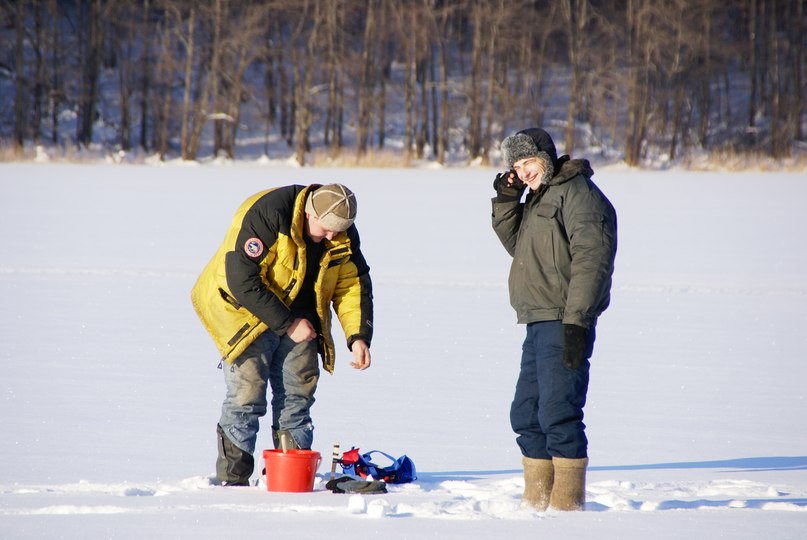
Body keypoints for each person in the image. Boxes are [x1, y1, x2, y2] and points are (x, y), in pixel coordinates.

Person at [192, 183, 374, 486]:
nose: (331, 236)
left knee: (297, 398)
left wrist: (358, 336)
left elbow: (352, 284)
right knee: (246, 396)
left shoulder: (341, 233)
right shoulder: (268, 215)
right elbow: (242, 279)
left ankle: (288, 480)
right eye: (326, 229)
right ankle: (232, 482)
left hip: (303, 319)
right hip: (245, 312)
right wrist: (287, 323)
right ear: (309, 212)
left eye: (338, 231)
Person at [491, 128, 617, 511]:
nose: (523, 172)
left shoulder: (578, 195)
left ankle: (567, 510)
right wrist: (508, 200)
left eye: (527, 162)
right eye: (516, 166)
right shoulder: (540, 197)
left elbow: (592, 261)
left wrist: (577, 322)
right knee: (526, 415)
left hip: (565, 320)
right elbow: (521, 247)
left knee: (558, 414)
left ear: (546, 157)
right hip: (537, 318)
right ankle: (537, 504)